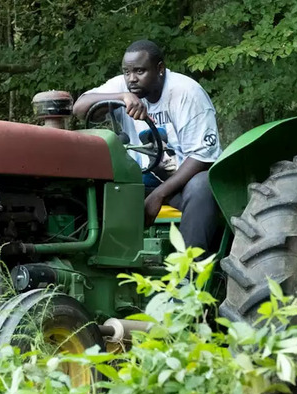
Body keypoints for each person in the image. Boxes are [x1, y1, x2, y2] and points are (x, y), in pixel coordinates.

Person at [73, 39, 221, 252]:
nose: (131, 79)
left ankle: (188, 273)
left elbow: (202, 157)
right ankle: (97, 261)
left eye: (140, 71)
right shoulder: (123, 87)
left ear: (160, 69)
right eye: (126, 72)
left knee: (202, 186)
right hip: (141, 180)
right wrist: (122, 96)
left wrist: (158, 195)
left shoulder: (186, 93)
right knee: (89, 188)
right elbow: (79, 107)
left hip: (182, 182)